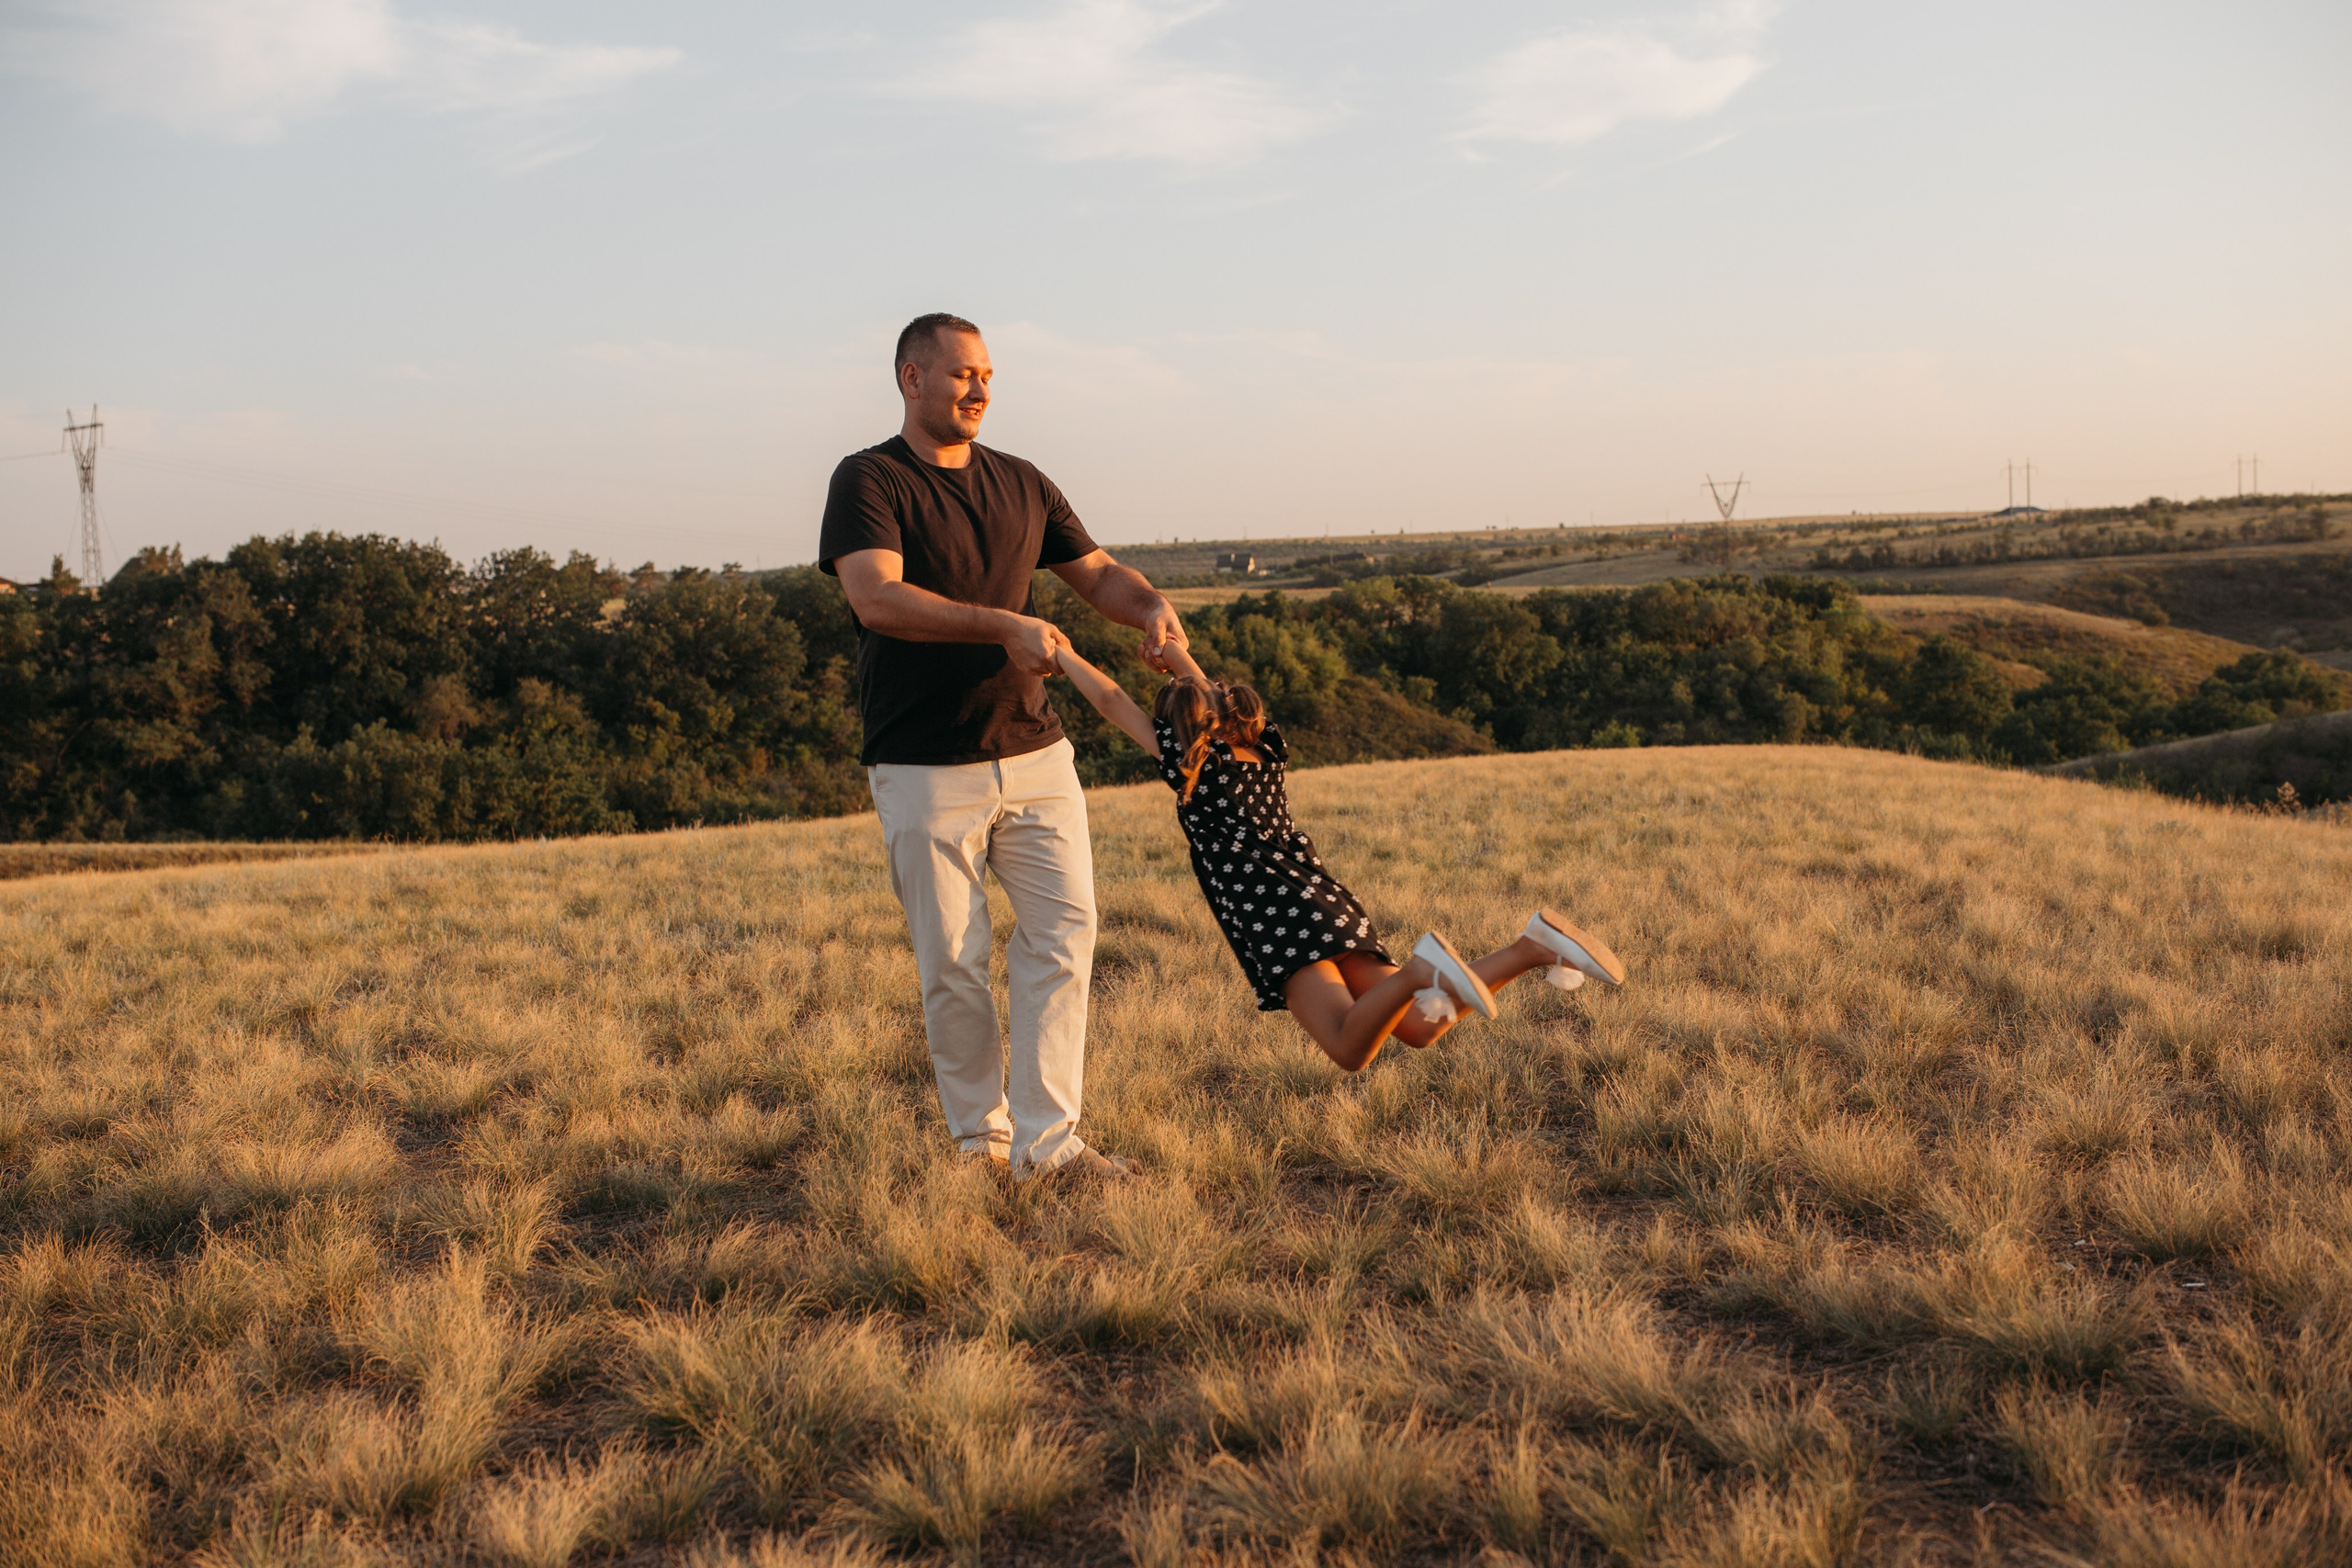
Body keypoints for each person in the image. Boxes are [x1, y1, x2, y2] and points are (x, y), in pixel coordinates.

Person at [819, 311, 1182, 1180]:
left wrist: (1148, 608)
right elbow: (877, 598)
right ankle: (978, 1145)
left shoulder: (1022, 481)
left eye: (987, 375)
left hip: (1036, 754)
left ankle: (1049, 1145)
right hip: (921, 761)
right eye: (960, 375)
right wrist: (1004, 625)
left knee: (1064, 936)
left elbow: (1095, 572)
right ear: (911, 378)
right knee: (954, 964)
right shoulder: (870, 479)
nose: (979, 389)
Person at [1052, 639, 1627, 1071]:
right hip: (1323, 899)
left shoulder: (1198, 769)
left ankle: (1421, 971)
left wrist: (1066, 655)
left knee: (1350, 1047)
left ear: (1183, 734)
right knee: (1422, 1028)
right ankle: (1533, 947)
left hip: (1275, 916)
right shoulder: (1262, 749)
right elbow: (1204, 694)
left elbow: (1111, 700)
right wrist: (1177, 652)